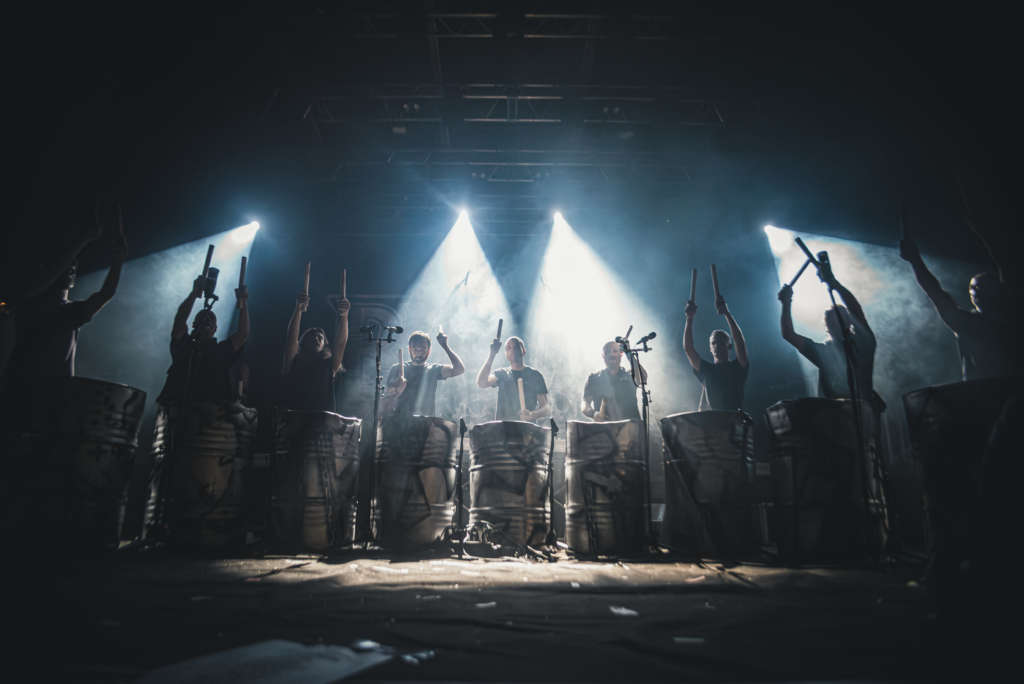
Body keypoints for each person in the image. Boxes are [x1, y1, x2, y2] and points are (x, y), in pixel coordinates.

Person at [5, 204, 126, 386]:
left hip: (43, 392)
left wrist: (117, 259)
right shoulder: (34, 303)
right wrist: (85, 241)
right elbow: (105, 292)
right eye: (69, 265)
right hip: (26, 388)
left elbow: (107, 292)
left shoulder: (68, 311)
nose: (72, 269)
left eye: (73, 266)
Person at [899, 234, 1018, 381]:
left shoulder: (1004, 323)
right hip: (982, 390)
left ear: (996, 290)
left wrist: (915, 260)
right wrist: (915, 261)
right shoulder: (968, 323)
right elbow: (936, 294)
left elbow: (936, 294)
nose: (975, 291)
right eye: (972, 288)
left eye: (981, 287)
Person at [778, 261, 876, 403]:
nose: (835, 322)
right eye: (831, 320)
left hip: (862, 411)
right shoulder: (825, 352)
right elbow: (788, 334)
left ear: (849, 321)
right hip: (836, 414)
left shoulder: (863, 343)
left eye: (838, 318)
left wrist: (834, 283)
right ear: (827, 326)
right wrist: (786, 303)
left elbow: (855, 309)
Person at [156, 275, 249, 406]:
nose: (207, 320)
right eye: (203, 318)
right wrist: (193, 294)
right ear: (194, 324)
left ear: (215, 329)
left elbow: (242, 334)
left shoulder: (220, 351)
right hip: (174, 408)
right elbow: (180, 320)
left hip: (205, 413)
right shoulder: (185, 345)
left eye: (211, 320)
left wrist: (243, 302)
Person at [280, 291, 349, 411]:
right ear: (303, 342)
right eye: (312, 337)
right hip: (296, 416)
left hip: (321, 419)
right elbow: (291, 338)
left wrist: (344, 316)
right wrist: (298, 310)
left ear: (324, 344)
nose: (316, 339)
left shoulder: (329, 364)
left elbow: (341, 343)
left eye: (320, 338)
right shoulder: (294, 360)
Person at [683, 293, 749, 410]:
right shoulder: (707, 370)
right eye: (713, 343)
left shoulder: (738, 367)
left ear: (729, 346)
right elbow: (688, 348)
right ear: (710, 348)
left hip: (735, 418)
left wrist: (727, 313)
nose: (717, 346)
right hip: (716, 419)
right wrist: (689, 318)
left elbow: (740, 342)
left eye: (720, 342)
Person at [383, 329, 465, 418]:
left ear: (428, 351)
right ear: (409, 349)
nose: (419, 351)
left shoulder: (434, 369)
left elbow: (459, 369)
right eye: (415, 348)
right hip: (399, 421)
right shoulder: (397, 368)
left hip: (426, 422)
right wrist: (397, 391)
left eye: (422, 348)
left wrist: (445, 346)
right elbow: (386, 402)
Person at [477, 335, 549, 422]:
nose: (512, 350)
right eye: (508, 348)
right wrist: (492, 354)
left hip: (527, 428)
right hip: (503, 428)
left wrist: (532, 414)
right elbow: (482, 383)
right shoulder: (501, 374)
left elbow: (546, 408)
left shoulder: (535, 375)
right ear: (506, 355)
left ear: (523, 351)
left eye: (516, 347)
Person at [582, 340, 644, 421]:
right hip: (605, 427)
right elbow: (585, 403)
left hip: (631, 427)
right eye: (607, 352)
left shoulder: (630, 375)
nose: (611, 354)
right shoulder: (594, 378)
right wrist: (593, 414)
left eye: (615, 351)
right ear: (603, 356)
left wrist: (628, 353)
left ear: (621, 354)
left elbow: (643, 378)